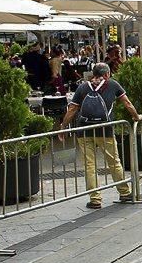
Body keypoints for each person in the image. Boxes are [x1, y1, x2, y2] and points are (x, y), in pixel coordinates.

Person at [58, 63, 137, 209]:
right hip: (105, 130)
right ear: (106, 74)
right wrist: (136, 117)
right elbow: (127, 103)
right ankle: (125, 192)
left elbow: (73, 109)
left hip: (84, 131)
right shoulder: (112, 84)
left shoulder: (83, 87)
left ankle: (95, 199)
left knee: (90, 165)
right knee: (114, 161)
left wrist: (63, 127)